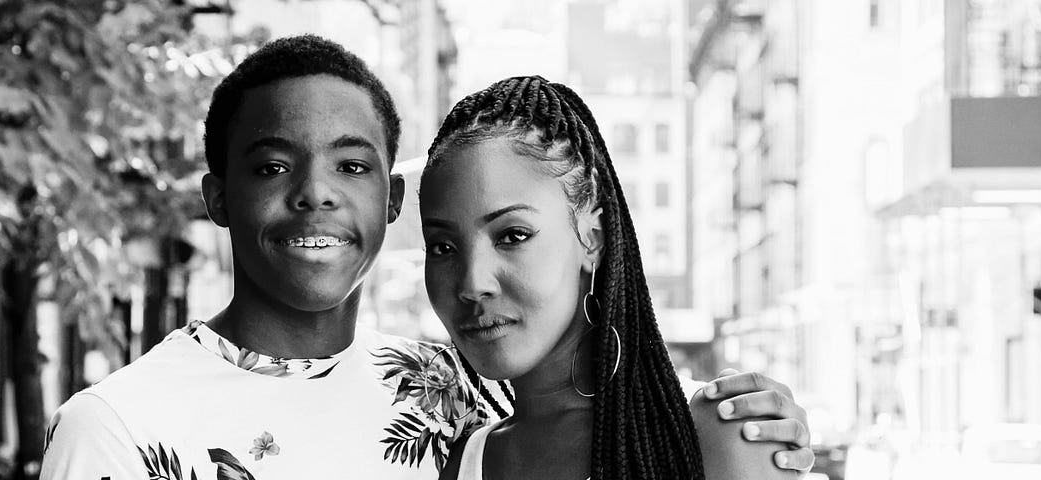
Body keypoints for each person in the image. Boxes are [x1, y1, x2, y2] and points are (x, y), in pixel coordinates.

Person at [40, 35, 807, 479]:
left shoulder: (437, 396)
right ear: (217, 198)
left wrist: (738, 428)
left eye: (352, 165)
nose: (316, 196)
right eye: (273, 166)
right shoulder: (113, 426)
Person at [420, 76, 813, 480]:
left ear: (592, 239)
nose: (472, 283)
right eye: (442, 247)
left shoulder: (720, 435)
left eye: (512, 236)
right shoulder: (461, 461)